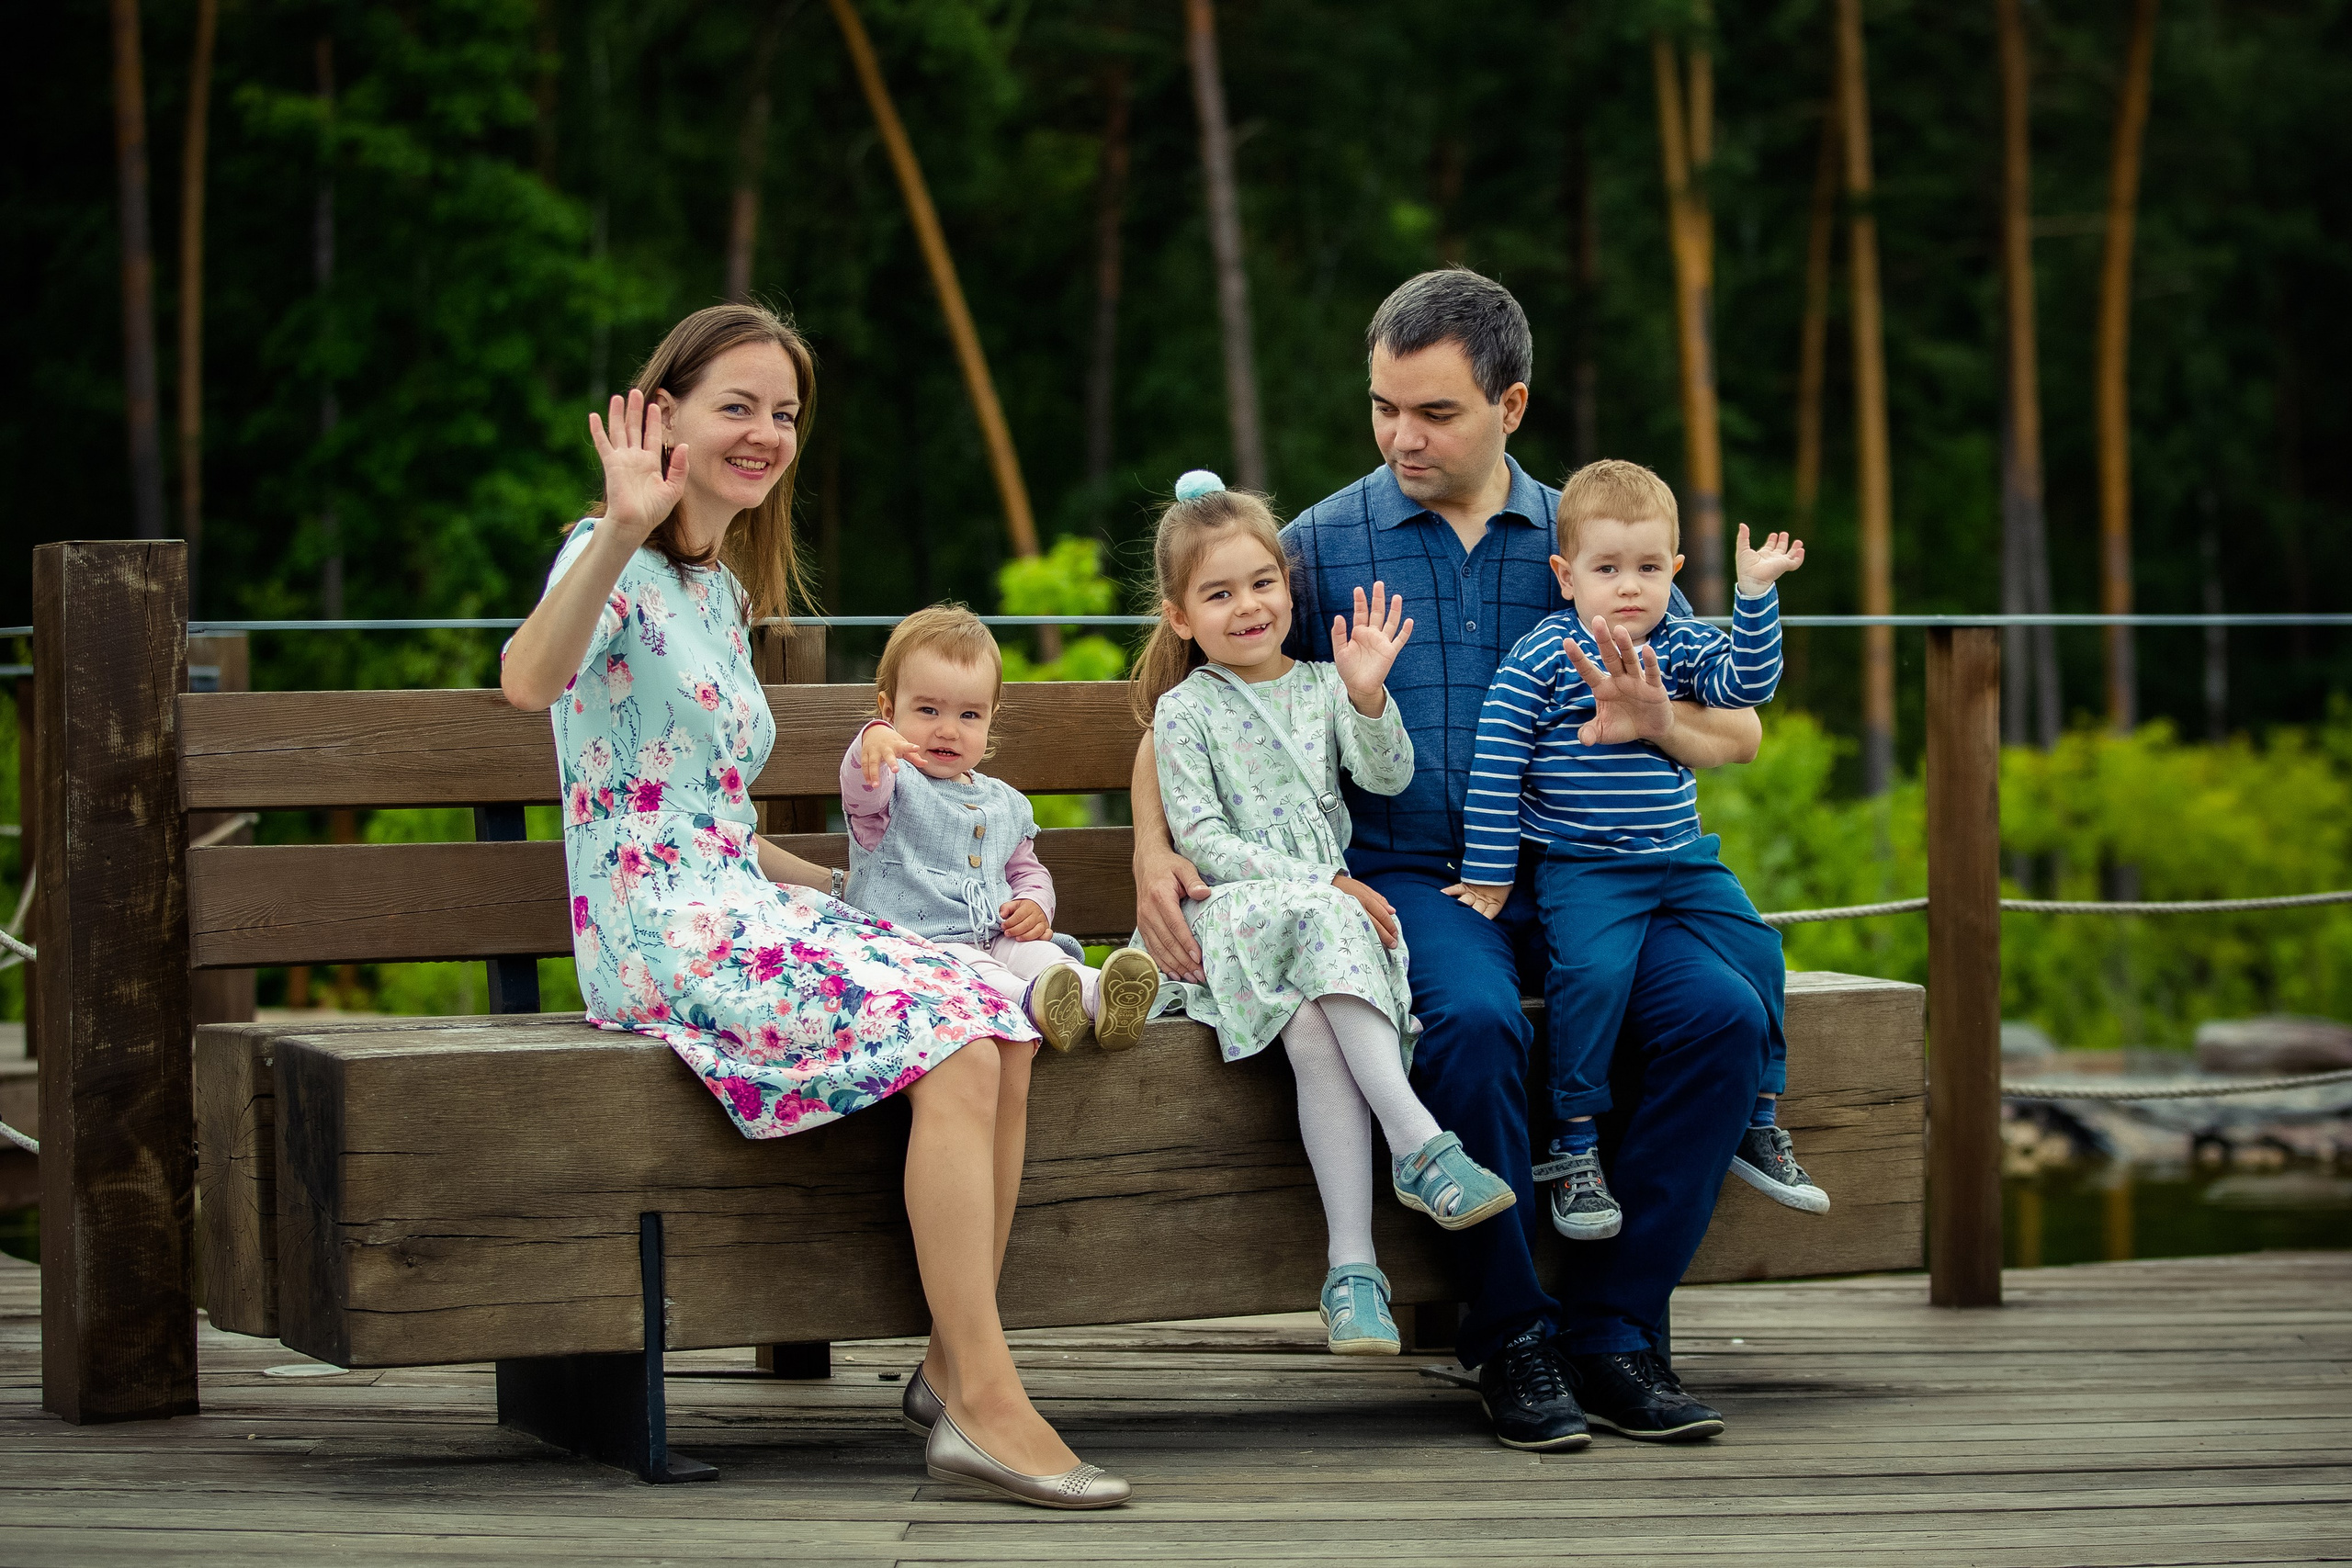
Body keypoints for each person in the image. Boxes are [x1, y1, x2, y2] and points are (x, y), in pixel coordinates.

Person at [502, 303, 1128, 1510]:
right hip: (659, 937)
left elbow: (719, 821)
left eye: (783, 412)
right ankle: (990, 1398)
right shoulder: (610, 554)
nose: (764, 431)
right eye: (735, 404)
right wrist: (621, 523)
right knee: (956, 1022)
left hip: (742, 902)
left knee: (993, 1004)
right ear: (664, 412)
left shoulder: (722, 595)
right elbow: (530, 678)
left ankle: (956, 1370)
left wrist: (838, 892)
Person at [1130, 269, 1766, 1451]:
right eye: (1383, 407)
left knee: (1722, 1020)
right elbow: (1177, 699)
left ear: (1510, 407)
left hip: (1595, 873)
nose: (1400, 437)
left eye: (1434, 414)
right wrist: (1150, 851)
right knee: (1470, 1022)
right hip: (1415, 881)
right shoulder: (1317, 546)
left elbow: (1741, 732)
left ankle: (1617, 1331)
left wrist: (1656, 725)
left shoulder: (1591, 543)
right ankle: (1511, 1337)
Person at [1133, 471, 1517, 1357]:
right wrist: (1326, 883)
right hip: (1235, 916)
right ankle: (1419, 1143)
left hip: (1316, 937)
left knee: (1312, 1031)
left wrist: (1369, 696)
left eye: (1262, 583)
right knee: (1333, 922)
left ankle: (1352, 1273)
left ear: (1288, 585)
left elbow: (1386, 777)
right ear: (1182, 616)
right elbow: (1206, 841)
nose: (1248, 607)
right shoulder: (1184, 710)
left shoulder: (1317, 686)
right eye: (1219, 594)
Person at [1454, 458, 1826, 1244]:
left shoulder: (1680, 643)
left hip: (1682, 858)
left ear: (1676, 572)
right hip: (1585, 867)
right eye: (1608, 568)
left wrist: (1755, 597)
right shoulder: (1543, 656)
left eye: (1649, 568)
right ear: (1566, 575)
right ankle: (1576, 1144)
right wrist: (1489, 873)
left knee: (1760, 950)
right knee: (1591, 976)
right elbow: (1495, 758)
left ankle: (1761, 1115)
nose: (1629, 586)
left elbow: (1745, 686)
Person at [842, 604, 1161, 1051]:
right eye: (929, 710)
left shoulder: (1004, 802)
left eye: (969, 715)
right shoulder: (891, 785)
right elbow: (860, 788)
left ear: (991, 716)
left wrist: (1034, 904)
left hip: (996, 933)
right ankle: (1033, 1003)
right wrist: (870, 740)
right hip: (917, 953)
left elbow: (1026, 871)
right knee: (979, 971)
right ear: (889, 710)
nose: (948, 730)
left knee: (1043, 956)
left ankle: (1099, 994)